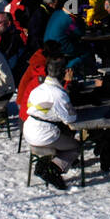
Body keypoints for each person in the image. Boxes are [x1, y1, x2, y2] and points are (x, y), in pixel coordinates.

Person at [24, 59, 79, 190]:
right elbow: (70, 119)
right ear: (64, 73)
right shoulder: (58, 94)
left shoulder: (38, 89)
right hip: (43, 134)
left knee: (66, 134)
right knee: (75, 147)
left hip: (29, 128)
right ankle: (53, 169)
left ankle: (53, 162)